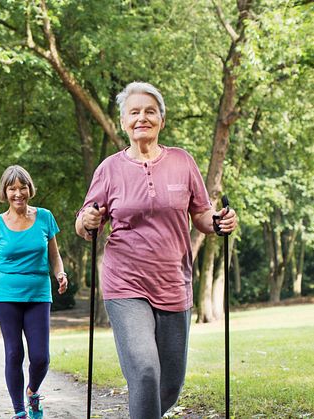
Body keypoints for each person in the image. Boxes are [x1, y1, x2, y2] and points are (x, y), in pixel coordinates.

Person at [74, 82, 238, 418]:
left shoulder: (182, 162)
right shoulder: (109, 169)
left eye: (150, 111)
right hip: (125, 285)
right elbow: (85, 224)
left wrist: (220, 221)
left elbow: (203, 215)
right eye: (134, 112)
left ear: (161, 120)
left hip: (174, 283)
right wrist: (87, 219)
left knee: (170, 384)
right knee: (145, 371)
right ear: (123, 121)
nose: (142, 118)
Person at [0, 165, 68, 419]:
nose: (18, 193)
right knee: (14, 352)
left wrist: (60, 274)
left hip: (38, 293)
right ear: (5, 192)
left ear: (30, 189)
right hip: (6, 295)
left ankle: (32, 391)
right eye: (12, 188)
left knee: (40, 357)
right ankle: (19, 411)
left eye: (22, 187)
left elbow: (55, 256)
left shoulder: (45, 217)